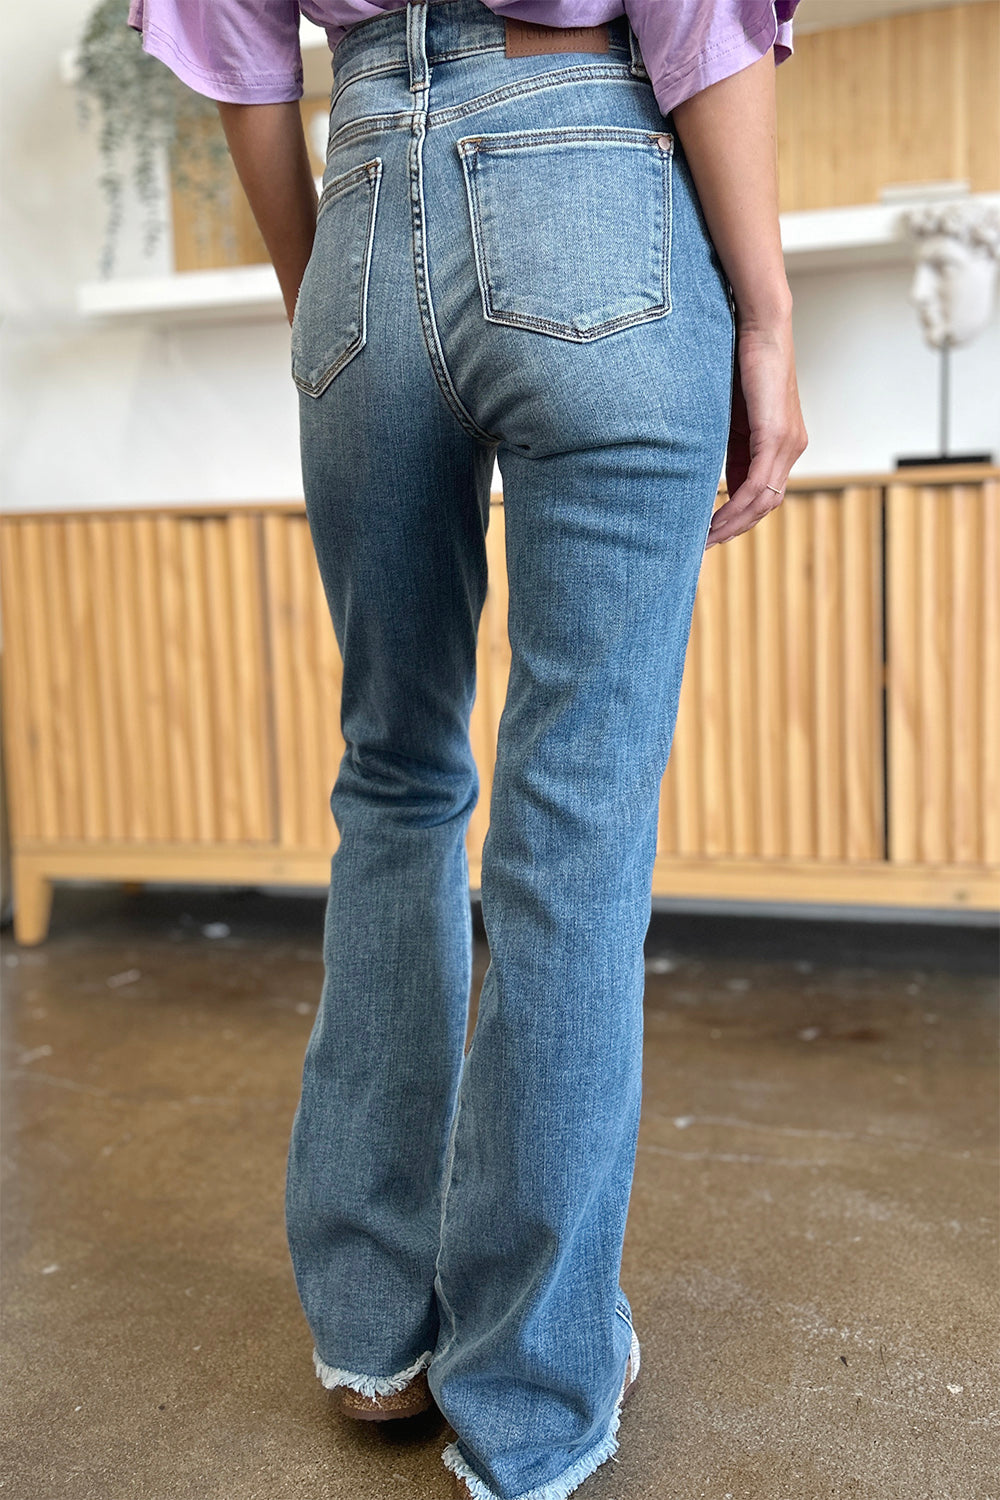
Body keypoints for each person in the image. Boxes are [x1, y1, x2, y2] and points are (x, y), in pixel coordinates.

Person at [127, 3, 808, 1497]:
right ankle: (527, 1394)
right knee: (574, 815)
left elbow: (238, 60)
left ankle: (375, 1335)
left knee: (394, 784)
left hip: (361, 192)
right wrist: (764, 314)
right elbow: (699, 27)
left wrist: (340, 304)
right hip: (596, 179)